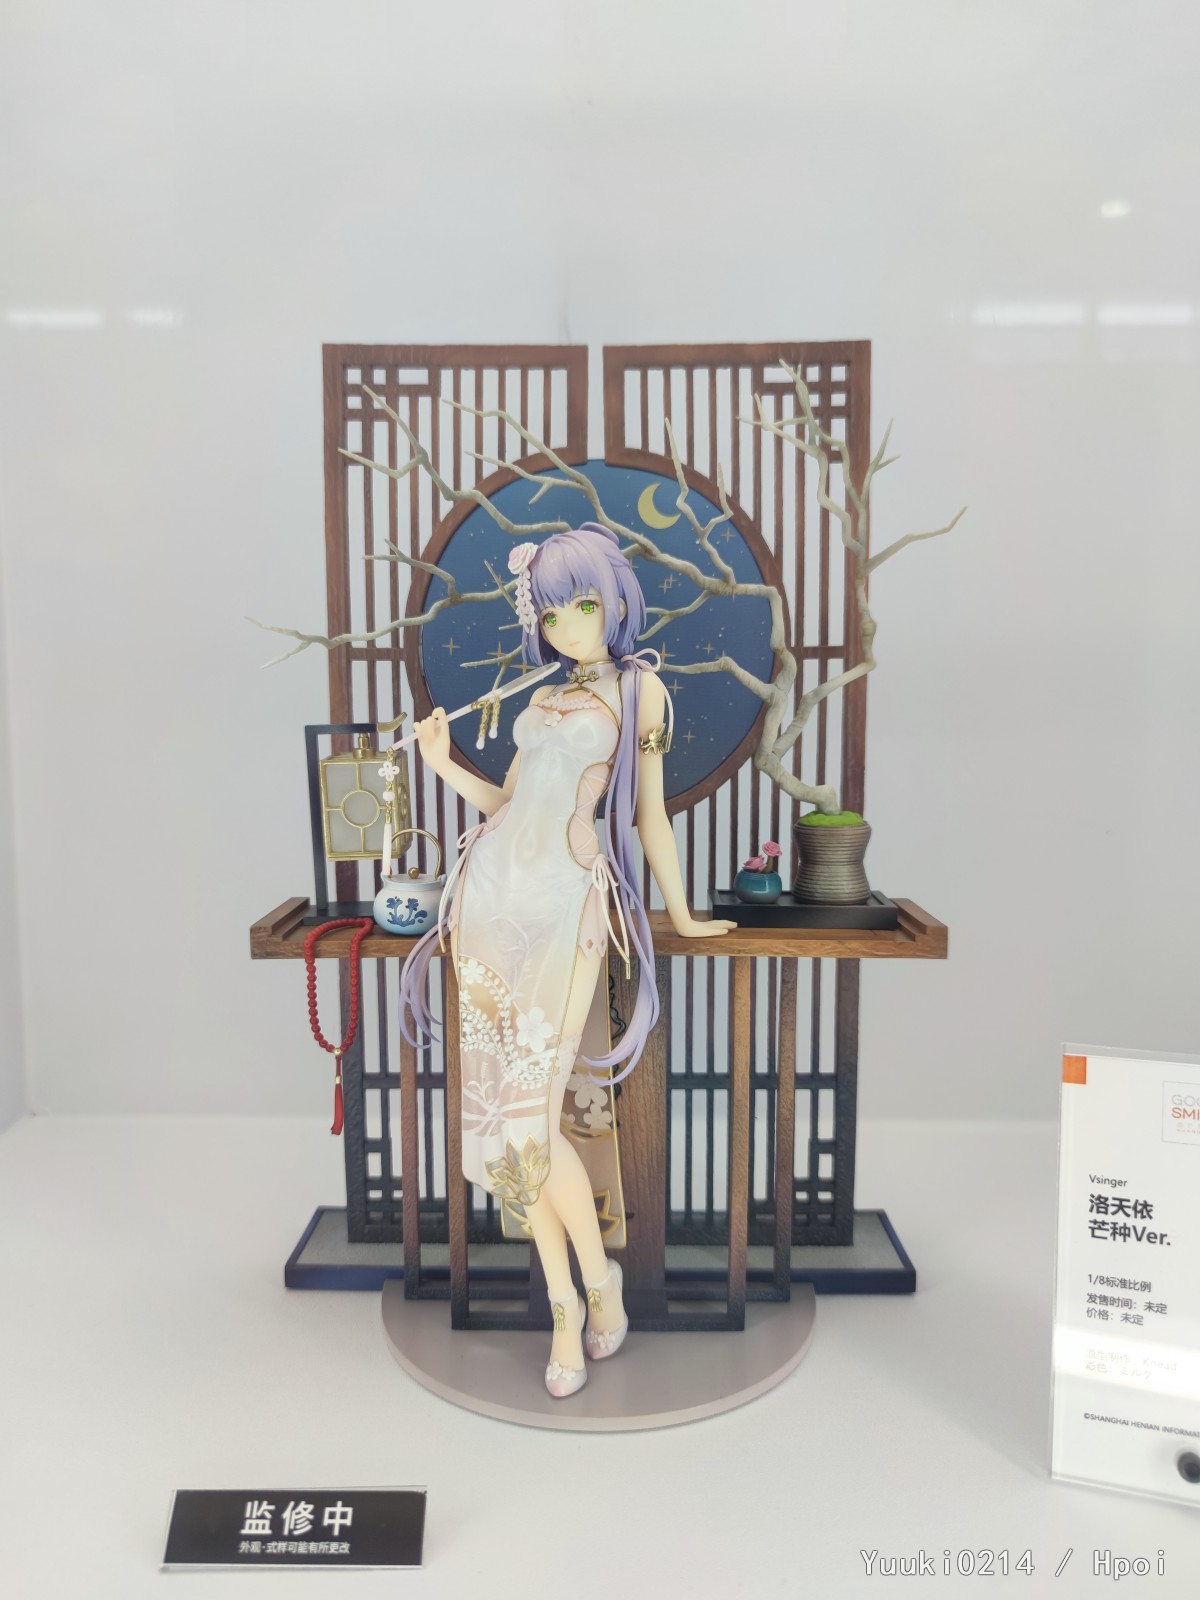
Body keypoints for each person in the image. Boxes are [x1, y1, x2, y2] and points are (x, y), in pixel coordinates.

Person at [399, 522, 734, 1397]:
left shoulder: (641, 691)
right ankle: (574, 1298)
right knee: (510, 1129)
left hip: (564, 905)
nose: (568, 627)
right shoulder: (547, 694)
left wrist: (682, 913)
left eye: (581, 605)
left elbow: (650, 814)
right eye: (550, 615)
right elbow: (507, 802)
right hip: (489, 903)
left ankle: (589, 1292)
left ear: (613, 599)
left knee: (534, 1117)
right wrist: (440, 763)